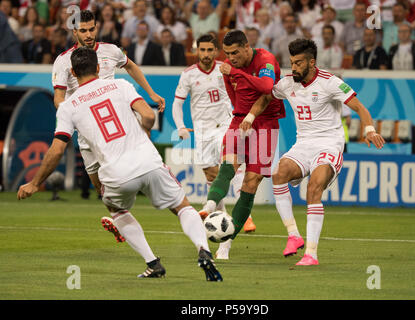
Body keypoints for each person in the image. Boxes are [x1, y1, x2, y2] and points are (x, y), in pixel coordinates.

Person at [17, 47, 223, 281]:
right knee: (182, 206)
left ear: (73, 73)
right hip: (148, 161)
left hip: (116, 173)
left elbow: (57, 149)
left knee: (117, 210)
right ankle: (203, 249)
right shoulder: (122, 86)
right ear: (97, 68)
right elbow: (148, 115)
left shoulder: (68, 107)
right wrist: (143, 133)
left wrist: (35, 183)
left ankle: (153, 263)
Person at [250, 38, 384, 265]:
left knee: (313, 187)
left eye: (299, 63)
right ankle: (293, 236)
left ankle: (311, 254)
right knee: (278, 174)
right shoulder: (287, 83)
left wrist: (369, 129)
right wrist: (250, 117)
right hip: (303, 144)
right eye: (292, 62)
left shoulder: (330, 82)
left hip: (329, 144)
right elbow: (265, 98)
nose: (294, 68)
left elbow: (359, 107)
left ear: (312, 62)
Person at [52, 10, 165, 241]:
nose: (89, 34)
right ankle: (121, 220)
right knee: (100, 188)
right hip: (88, 134)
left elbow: (131, 66)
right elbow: (58, 97)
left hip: (115, 127)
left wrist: (151, 93)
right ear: (75, 32)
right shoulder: (64, 61)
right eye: (83, 30)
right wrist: (71, 117)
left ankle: (162, 197)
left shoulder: (111, 50)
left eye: (92, 28)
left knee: (133, 169)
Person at [198, 30, 285, 259]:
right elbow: (233, 95)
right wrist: (240, 116)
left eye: (235, 52)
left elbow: (267, 88)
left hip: (266, 124)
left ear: (247, 46)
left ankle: (225, 244)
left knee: (250, 182)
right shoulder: (228, 67)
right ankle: (208, 206)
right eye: (227, 54)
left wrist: (235, 72)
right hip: (240, 120)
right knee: (228, 165)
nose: (231, 58)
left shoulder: (266, 60)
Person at [171, 34, 252, 240]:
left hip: (226, 124)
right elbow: (177, 103)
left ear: (216, 51)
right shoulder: (188, 74)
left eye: (209, 50)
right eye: (202, 50)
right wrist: (181, 127)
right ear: (197, 51)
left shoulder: (225, 68)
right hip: (202, 130)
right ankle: (222, 217)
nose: (206, 54)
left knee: (232, 165)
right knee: (210, 175)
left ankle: (245, 213)